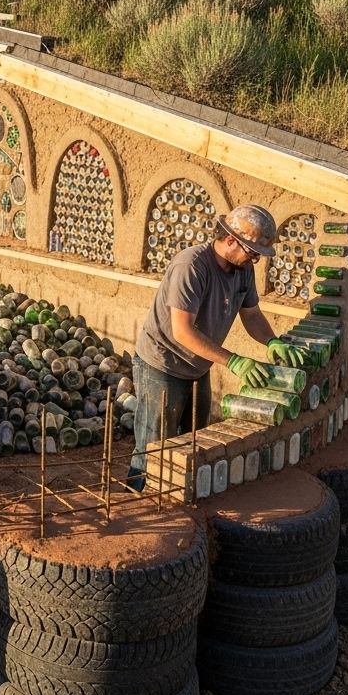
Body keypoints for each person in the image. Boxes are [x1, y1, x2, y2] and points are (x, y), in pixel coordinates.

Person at [128, 204, 307, 489]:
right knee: (154, 448)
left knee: (194, 441)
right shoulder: (192, 266)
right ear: (231, 240)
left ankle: (182, 499)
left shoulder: (242, 270)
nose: (255, 260)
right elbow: (183, 331)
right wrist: (234, 361)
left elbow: (252, 315)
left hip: (198, 366)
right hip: (163, 364)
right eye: (252, 253)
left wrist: (272, 341)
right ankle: (137, 500)